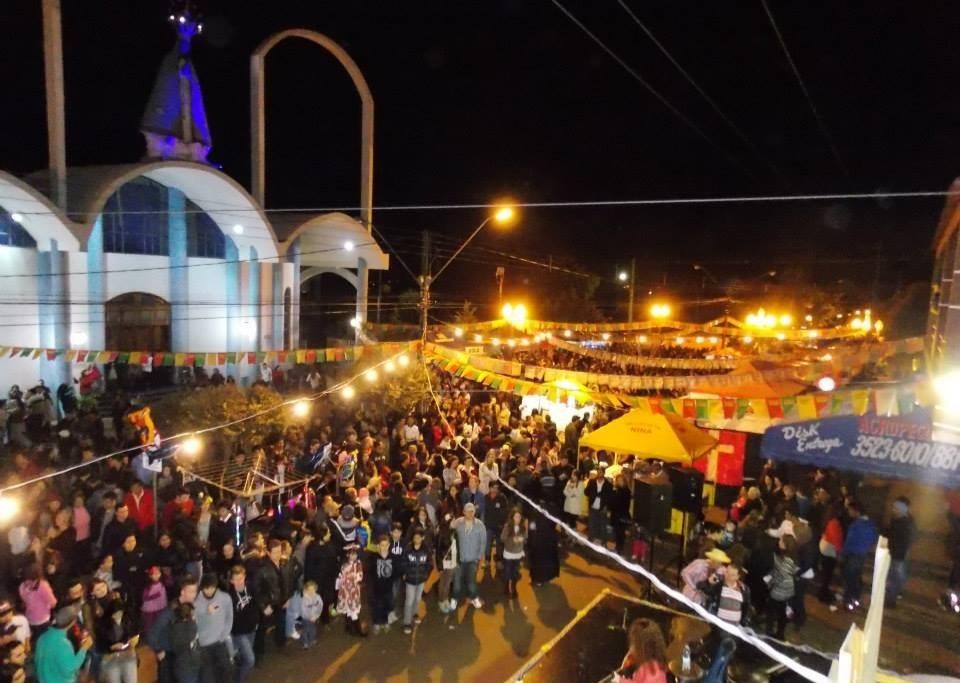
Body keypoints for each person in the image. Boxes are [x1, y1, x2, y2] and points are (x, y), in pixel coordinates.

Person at [145, 576, 199, 683]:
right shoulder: (170, 611)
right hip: (169, 656)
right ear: (182, 592)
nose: (194, 594)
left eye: (195, 591)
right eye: (191, 591)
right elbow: (152, 634)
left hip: (184, 655)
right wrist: (158, 650)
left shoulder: (190, 607)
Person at [34, 606, 93, 683]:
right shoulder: (63, 644)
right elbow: (70, 668)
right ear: (73, 622)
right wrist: (84, 648)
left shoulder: (42, 637)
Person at [837, 501, 878, 612]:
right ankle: (856, 599)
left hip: (852, 555)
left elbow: (848, 542)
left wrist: (842, 554)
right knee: (856, 578)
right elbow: (874, 540)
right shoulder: (871, 523)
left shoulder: (855, 525)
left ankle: (848, 603)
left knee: (849, 579)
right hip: (862, 555)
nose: (849, 512)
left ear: (856, 512)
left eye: (850, 510)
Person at [195, 573, 233, 683]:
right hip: (203, 645)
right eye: (206, 588)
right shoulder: (196, 602)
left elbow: (229, 618)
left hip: (219, 642)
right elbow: (194, 620)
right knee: (207, 676)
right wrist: (206, 612)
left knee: (226, 670)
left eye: (212, 587)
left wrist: (224, 635)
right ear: (202, 587)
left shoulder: (225, 598)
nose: (209, 591)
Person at [452, 502, 487, 609]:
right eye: (468, 511)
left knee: (471, 581)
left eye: (472, 511)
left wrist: (479, 557)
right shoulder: (458, 523)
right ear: (464, 512)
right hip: (459, 559)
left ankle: (474, 597)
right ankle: (454, 599)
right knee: (457, 582)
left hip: (473, 560)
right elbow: (448, 530)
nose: (470, 513)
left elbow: (483, 542)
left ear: (474, 512)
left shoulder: (480, 525)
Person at [94, 600, 138, 683]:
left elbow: (135, 632)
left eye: (120, 613)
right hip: (111, 659)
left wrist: (132, 641)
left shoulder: (128, 620)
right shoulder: (103, 625)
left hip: (128, 656)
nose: (118, 616)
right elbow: (99, 646)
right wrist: (111, 647)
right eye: (115, 614)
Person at [884, 496, 916, 608]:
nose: (893, 509)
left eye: (896, 507)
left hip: (898, 555)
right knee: (896, 576)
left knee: (895, 577)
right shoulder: (899, 520)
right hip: (896, 553)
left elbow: (908, 539)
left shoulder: (906, 523)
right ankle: (894, 595)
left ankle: (891, 600)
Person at [614, 618, 668, 683]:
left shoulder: (653, 670)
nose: (631, 647)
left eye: (633, 642)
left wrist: (618, 679)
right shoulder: (655, 665)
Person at [400, 529, 432, 635]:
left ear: (423, 538)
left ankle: (414, 614)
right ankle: (407, 622)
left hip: (421, 579)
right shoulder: (408, 549)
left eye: (419, 537)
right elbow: (403, 562)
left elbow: (429, 563)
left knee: (418, 599)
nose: (416, 539)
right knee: (409, 600)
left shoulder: (426, 549)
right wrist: (405, 573)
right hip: (410, 579)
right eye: (415, 537)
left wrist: (426, 574)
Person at [765, 535, 797, 640]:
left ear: (785, 545)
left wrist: (770, 582)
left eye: (781, 540)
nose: (779, 541)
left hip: (781, 590)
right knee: (782, 612)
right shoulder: (790, 557)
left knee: (772, 610)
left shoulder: (787, 560)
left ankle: (771, 632)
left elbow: (781, 575)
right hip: (787, 589)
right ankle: (779, 633)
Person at [18, 565, 57, 643]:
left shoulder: (22, 586)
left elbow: (25, 601)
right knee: (47, 642)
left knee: (37, 642)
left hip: (30, 620)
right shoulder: (42, 585)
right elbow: (53, 602)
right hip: (43, 620)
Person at [817, 504, 844, 604]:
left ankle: (823, 592)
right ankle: (823, 594)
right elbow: (836, 539)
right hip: (829, 550)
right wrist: (839, 553)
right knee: (827, 574)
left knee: (825, 573)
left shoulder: (828, 520)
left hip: (825, 547)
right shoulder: (834, 523)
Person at [527, 507, 561, 586]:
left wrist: (531, 540)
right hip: (548, 540)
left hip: (539, 541)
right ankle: (546, 577)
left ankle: (539, 579)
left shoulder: (534, 513)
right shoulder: (551, 511)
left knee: (538, 561)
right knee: (547, 559)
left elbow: (532, 527)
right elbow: (557, 526)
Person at [370, 535, 396, 633]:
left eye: (386, 545)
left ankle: (385, 621)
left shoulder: (392, 557)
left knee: (387, 604)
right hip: (377, 587)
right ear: (378, 546)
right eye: (382, 545)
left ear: (389, 545)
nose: (384, 547)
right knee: (377, 605)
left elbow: (395, 571)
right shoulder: (374, 558)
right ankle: (376, 622)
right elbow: (371, 571)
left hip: (388, 587)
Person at [170, 603, 202, 683]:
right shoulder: (181, 628)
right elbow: (190, 637)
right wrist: (193, 622)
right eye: (193, 613)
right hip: (186, 667)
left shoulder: (177, 627)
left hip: (191, 664)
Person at [336, 544, 363, 635]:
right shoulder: (344, 564)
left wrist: (350, 577)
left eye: (355, 554)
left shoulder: (358, 564)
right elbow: (340, 576)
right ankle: (352, 628)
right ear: (347, 555)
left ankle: (355, 629)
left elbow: (360, 576)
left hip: (353, 589)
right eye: (351, 554)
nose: (353, 556)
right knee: (349, 609)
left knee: (354, 609)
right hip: (345, 589)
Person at [500, 508, 527, 598]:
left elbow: (525, 538)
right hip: (508, 553)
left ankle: (514, 588)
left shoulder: (523, 527)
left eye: (519, 517)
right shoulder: (508, 526)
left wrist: (522, 539)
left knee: (515, 572)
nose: (518, 519)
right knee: (507, 571)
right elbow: (502, 538)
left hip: (518, 553)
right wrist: (512, 539)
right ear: (512, 517)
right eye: (516, 517)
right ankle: (506, 587)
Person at [435, 515, 459, 615]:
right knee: (443, 583)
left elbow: (457, 548)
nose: (454, 522)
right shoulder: (443, 534)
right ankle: (441, 601)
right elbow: (438, 550)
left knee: (448, 583)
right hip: (445, 562)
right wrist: (439, 565)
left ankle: (445, 600)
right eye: (452, 520)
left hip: (453, 560)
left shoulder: (455, 533)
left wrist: (457, 560)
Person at [584, 469, 612, 544]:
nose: (599, 474)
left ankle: (603, 540)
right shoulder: (592, 482)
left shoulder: (608, 485)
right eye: (598, 472)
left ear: (603, 473)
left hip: (603, 507)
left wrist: (607, 506)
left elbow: (610, 497)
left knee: (603, 524)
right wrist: (593, 494)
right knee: (592, 522)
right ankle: (591, 537)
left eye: (601, 472)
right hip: (593, 505)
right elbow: (586, 492)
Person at [609, 474, 633, 554]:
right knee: (616, 532)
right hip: (616, 514)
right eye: (617, 481)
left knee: (620, 533)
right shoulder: (617, 489)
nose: (618, 482)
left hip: (622, 515)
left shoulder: (625, 491)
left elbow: (620, 503)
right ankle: (617, 547)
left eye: (620, 481)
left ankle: (619, 549)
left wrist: (614, 494)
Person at [297, 580, 323, 648]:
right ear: (306, 590)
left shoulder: (317, 597)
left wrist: (316, 616)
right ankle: (305, 642)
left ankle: (311, 639)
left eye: (313, 589)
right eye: (309, 590)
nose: (311, 592)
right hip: (306, 618)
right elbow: (303, 610)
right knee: (306, 630)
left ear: (316, 589)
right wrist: (309, 617)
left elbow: (320, 606)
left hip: (314, 618)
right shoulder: (304, 599)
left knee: (313, 629)